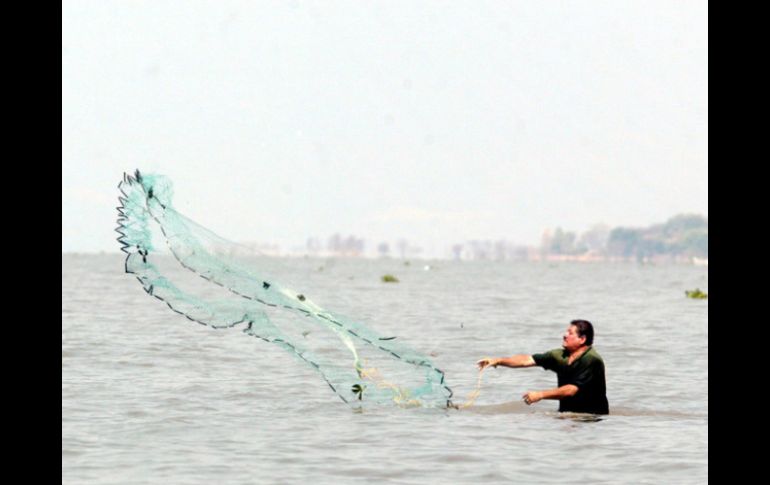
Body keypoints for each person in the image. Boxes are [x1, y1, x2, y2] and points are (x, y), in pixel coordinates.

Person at [476, 319, 609, 414]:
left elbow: (571, 390)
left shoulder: (591, 360)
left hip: (591, 420)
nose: (564, 335)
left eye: (570, 333)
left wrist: (540, 395)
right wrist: (497, 361)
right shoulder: (559, 356)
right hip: (567, 416)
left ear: (582, 339)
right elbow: (526, 360)